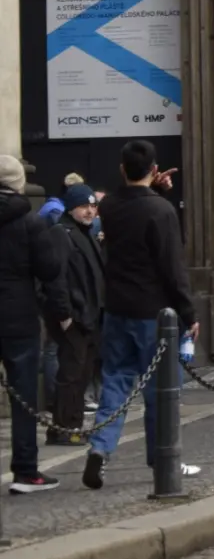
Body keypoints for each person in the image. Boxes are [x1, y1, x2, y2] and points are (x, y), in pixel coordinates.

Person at [84, 140, 199, 490]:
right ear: (153, 170)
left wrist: (154, 190)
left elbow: (131, 203)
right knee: (159, 389)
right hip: (154, 312)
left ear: (122, 170)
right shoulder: (161, 211)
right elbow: (172, 266)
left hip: (117, 308)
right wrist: (188, 311)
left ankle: (99, 451)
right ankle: (163, 458)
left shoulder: (112, 206)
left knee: (116, 382)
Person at [0, 154, 70, 492]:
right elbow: (50, 271)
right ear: (19, 184)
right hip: (18, 317)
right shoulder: (31, 223)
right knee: (24, 396)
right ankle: (26, 472)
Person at [47, 183, 104, 446]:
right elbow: (55, 277)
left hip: (88, 316)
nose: (90, 211)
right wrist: (65, 315)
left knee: (81, 373)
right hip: (74, 317)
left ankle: (73, 425)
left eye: (93, 206)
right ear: (72, 208)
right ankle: (64, 428)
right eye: (84, 206)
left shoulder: (86, 233)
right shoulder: (62, 233)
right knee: (71, 373)